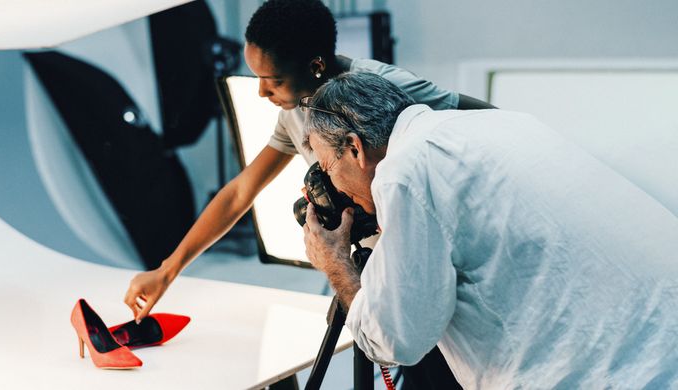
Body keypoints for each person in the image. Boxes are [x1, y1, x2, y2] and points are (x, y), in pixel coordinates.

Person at [301, 71, 678, 388]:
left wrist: (336, 264)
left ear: (354, 147)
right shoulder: (502, 123)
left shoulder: (405, 170)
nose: (333, 186)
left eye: (328, 167)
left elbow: (397, 338)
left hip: (612, 374)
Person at [124, 0, 490, 320]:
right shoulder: (295, 110)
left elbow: (489, 117)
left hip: (436, 262)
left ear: (315, 64)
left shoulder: (384, 84)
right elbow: (240, 193)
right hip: (375, 267)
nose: (261, 91)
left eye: (273, 80)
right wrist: (167, 270)